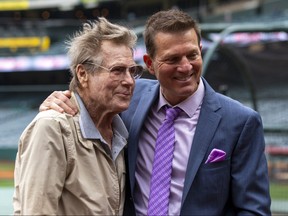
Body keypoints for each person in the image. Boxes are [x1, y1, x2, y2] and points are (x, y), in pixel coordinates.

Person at [39, 9, 271, 215]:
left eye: (192, 55)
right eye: (172, 59)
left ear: (201, 51)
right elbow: (90, 93)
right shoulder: (129, 99)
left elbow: (253, 209)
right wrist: (62, 99)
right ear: (150, 64)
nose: (186, 67)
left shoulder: (241, 122)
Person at [13, 17, 143, 215]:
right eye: (117, 70)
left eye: (132, 71)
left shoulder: (119, 129)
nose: (129, 81)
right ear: (82, 74)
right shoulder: (52, 128)